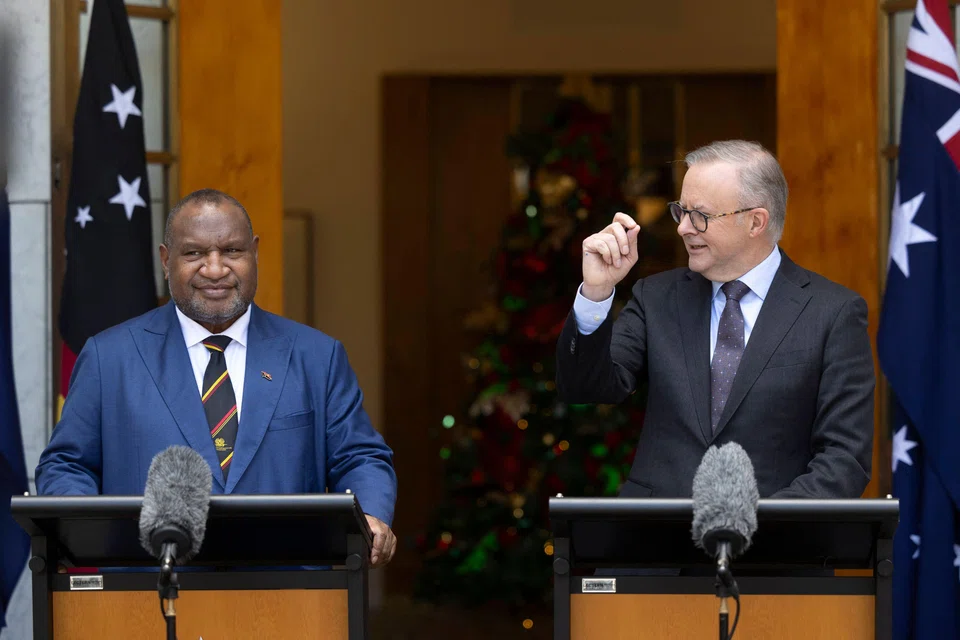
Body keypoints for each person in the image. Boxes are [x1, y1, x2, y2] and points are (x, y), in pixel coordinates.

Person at [36, 189, 398, 567]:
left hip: (289, 600)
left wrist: (371, 515)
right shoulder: (109, 358)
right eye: (194, 253)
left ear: (254, 253)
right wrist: (89, 532)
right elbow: (67, 465)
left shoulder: (316, 356)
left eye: (231, 251)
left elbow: (359, 456)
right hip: (148, 598)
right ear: (165, 260)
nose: (214, 269)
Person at [556, 140, 874, 499]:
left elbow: (845, 460)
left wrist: (758, 526)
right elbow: (586, 387)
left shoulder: (832, 313)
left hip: (772, 547)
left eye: (700, 216)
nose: (683, 228)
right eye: (681, 211)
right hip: (655, 543)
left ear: (755, 221)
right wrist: (596, 292)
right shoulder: (658, 298)